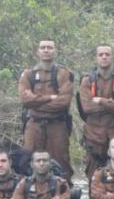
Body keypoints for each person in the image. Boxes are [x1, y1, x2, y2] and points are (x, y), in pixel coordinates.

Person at [19, 39, 74, 183]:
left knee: (62, 163)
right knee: (26, 161)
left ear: (55, 51)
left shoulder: (64, 74)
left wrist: (36, 103)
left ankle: (65, 198)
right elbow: (25, 100)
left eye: (49, 47)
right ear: (37, 51)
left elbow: (63, 102)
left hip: (57, 125)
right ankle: (28, 194)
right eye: (43, 47)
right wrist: (49, 97)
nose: (46, 50)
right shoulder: (28, 74)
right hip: (33, 125)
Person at [78, 44, 114, 181]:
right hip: (94, 136)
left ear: (112, 57)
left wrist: (101, 101)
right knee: (93, 177)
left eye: (107, 54)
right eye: (101, 54)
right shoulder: (87, 81)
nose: (104, 57)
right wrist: (113, 104)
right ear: (96, 58)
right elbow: (87, 107)